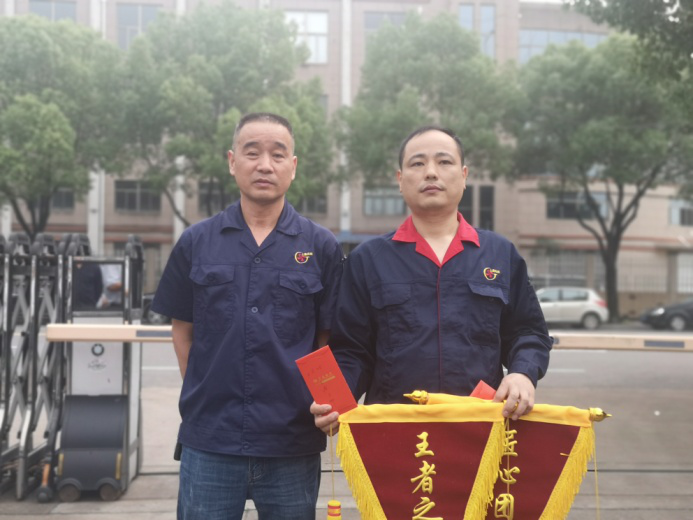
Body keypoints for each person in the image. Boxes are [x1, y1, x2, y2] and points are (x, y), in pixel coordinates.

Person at [151, 113, 343, 520]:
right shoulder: (197, 242)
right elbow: (182, 330)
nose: (264, 165)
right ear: (232, 161)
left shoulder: (321, 246)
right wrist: (203, 392)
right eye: (252, 152)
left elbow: (327, 338)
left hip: (291, 441)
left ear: (293, 166)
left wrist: (326, 404)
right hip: (211, 441)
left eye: (278, 154)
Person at [312, 125, 551, 435]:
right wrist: (336, 400)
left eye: (444, 161)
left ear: (464, 175)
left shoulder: (499, 254)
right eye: (417, 163)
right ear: (400, 180)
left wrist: (522, 374)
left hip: (481, 430)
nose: (431, 172)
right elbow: (352, 350)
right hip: (394, 433)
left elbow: (528, 332)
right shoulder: (368, 259)